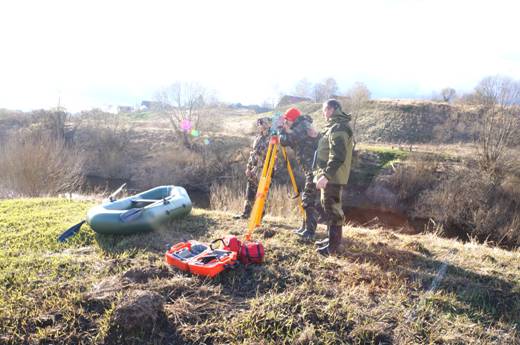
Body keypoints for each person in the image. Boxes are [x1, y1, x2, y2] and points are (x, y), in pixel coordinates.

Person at [314, 99, 354, 256]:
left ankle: (334, 247)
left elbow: (338, 155)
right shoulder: (334, 126)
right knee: (327, 207)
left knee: (333, 210)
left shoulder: (339, 127)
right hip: (330, 176)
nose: (324, 113)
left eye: (325, 110)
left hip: (333, 177)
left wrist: (326, 175)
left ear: (332, 109)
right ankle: (331, 240)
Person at [279, 107, 320, 241]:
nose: (286, 122)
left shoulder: (302, 126)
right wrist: (285, 130)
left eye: (288, 120)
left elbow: (286, 140)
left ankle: (310, 232)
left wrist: (281, 130)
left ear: (293, 119)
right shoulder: (300, 125)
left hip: (315, 169)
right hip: (310, 169)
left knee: (308, 199)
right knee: (306, 197)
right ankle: (305, 228)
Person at [233, 117, 273, 219]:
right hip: (254, 169)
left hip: (264, 169)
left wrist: (267, 170)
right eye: (259, 124)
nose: (259, 125)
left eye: (262, 123)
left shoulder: (272, 137)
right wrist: (248, 167)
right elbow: (253, 153)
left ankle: (259, 216)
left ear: (267, 124)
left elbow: (271, 155)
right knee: (249, 191)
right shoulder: (258, 137)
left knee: (262, 193)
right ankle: (246, 214)